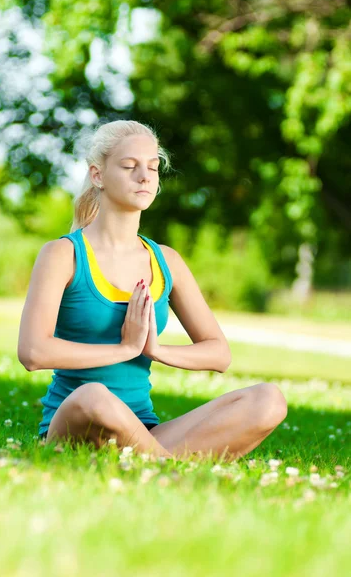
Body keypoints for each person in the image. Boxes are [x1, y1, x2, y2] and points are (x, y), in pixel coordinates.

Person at [17, 119, 287, 462]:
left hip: (143, 433)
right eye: (130, 166)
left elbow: (218, 354)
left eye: (153, 167)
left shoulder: (166, 261)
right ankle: (167, 467)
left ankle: (153, 460)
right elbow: (33, 352)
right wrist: (125, 347)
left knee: (268, 399)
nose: (145, 176)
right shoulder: (63, 255)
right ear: (97, 175)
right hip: (75, 425)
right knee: (95, 396)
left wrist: (155, 349)